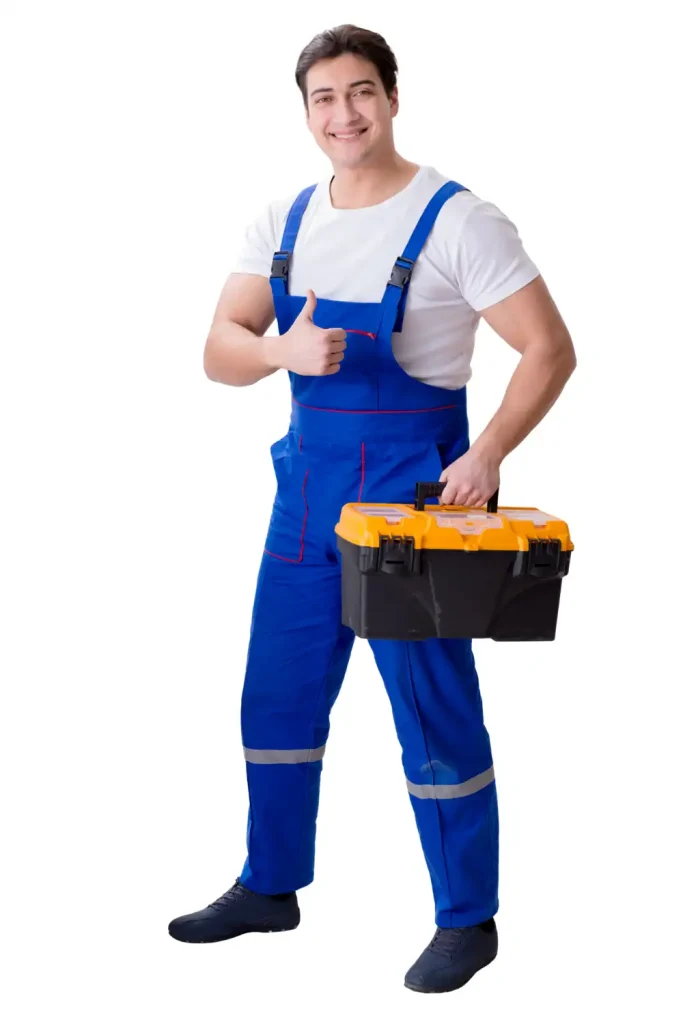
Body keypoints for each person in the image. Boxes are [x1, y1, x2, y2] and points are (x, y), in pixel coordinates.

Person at [168, 24, 576, 994]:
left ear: (391, 97)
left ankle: (465, 918)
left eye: (359, 92)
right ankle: (269, 886)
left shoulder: (457, 220)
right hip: (306, 502)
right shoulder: (282, 219)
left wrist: (484, 454)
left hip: (413, 509)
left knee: (430, 712)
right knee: (275, 697)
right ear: (304, 111)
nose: (342, 113)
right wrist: (279, 353)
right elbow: (219, 344)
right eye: (322, 97)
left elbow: (548, 349)